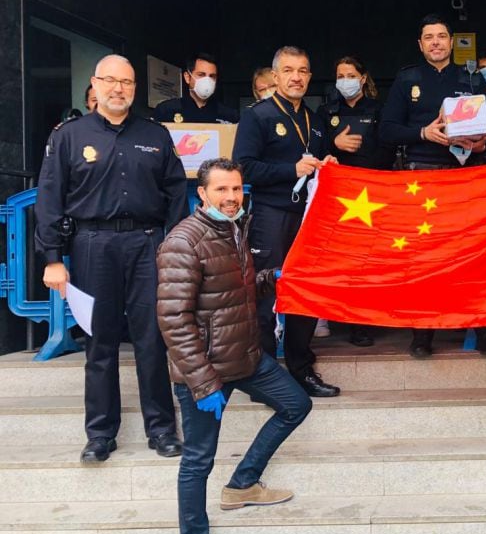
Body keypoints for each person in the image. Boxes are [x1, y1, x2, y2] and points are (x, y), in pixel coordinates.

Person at [157, 158, 312, 534]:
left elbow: (230, 290)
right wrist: (203, 382)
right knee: (197, 462)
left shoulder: (234, 228)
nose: (230, 197)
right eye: (221, 190)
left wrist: (269, 278)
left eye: (237, 189)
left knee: (296, 404)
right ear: (202, 193)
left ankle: (243, 483)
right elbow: (174, 320)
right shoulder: (183, 242)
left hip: (244, 356)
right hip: (205, 371)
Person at [35, 54, 187, 462]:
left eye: (127, 82)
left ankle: (162, 429)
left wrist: (172, 247)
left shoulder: (155, 135)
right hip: (91, 246)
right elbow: (49, 199)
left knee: (152, 339)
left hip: (146, 245)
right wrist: (53, 257)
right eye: (111, 81)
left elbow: (176, 195)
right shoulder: (68, 136)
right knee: (98, 341)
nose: (119, 88)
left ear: (135, 88)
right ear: (95, 85)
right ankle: (100, 433)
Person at [379, 13, 486, 358]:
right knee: (426, 259)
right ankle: (423, 333)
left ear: (451, 42)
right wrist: (422, 133)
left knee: (477, 256)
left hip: (467, 178)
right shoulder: (407, 81)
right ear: (420, 44)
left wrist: (482, 144)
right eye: (428, 37)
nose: (435, 42)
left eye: (441, 36)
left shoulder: (472, 80)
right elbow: (385, 131)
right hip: (424, 177)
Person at [233, 45, 341, 398]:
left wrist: (328, 165)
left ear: (310, 76)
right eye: (289, 70)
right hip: (271, 214)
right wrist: (289, 170)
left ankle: (301, 369)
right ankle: (264, 376)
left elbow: (318, 163)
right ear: (276, 76)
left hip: (309, 218)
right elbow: (244, 167)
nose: (296, 77)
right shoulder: (258, 116)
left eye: (304, 71)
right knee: (266, 293)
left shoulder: (314, 118)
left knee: (305, 292)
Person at [319, 56, 394, 347]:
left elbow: (389, 150)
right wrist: (333, 145)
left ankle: (365, 322)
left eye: (351, 74)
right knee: (343, 260)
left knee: (370, 259)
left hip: (372, 194)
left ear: (363, 78)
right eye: (340, 75)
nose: (345, 80)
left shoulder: (379, 110)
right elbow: (314, 149)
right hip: (337, 196)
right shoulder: (326, 112)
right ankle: (344, 317)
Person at [154, 53, 239, 125]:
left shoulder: (229, 115)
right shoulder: (167, 110)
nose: (207, 80)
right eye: (201, 75)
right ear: (187, 77)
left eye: (212, 76)